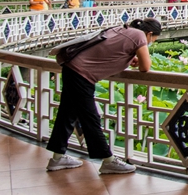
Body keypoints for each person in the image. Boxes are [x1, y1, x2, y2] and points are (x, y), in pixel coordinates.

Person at [46, 17, 163, 174]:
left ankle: (57, 158)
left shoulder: (124, 29)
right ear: (149, 34)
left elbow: (111, 50)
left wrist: (130, 57)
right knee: (90, 118)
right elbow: (145, 67)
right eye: (153, 40)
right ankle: (108, 160)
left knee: (67, 114)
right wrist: (139, 57)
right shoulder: (140, 35)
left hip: (71, 68)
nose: (150, 43)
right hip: (82, 75)